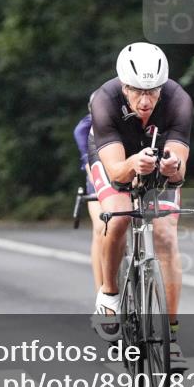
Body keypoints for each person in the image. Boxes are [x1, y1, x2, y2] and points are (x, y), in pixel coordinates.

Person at [87, 42, 191, 367]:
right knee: (117, 217)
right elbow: (117, 172)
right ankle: (109, 295)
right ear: (123, 85)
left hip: (154, 155)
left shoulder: (178, 101)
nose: (145, 101)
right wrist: (133, 162)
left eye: (153, 92)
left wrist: (172, 167)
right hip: (115, 154)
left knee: (166, 237)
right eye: (136, 92)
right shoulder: (104, 100)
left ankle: (170, 335)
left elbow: (179, 171)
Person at [73, 109, 105, 291]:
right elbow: (91, 168)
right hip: (98, 175)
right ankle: (101, 290)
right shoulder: (85, 127)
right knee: (101, 228)